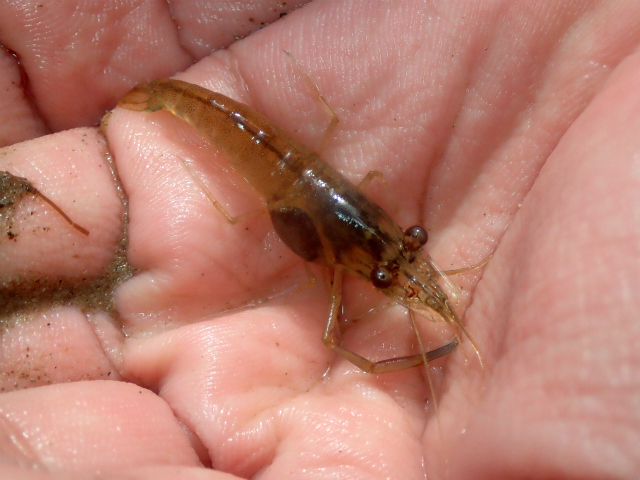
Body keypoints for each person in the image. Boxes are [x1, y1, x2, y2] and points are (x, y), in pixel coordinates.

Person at [1, 1, 639, 478]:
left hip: (294, 167)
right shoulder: (339, 254)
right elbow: (337, 336)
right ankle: (168, 100)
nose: (400, 263)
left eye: (405, 249)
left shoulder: (364, 227)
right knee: (332, 332)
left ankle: (170, 100)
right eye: (391, 266)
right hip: (249, 144)